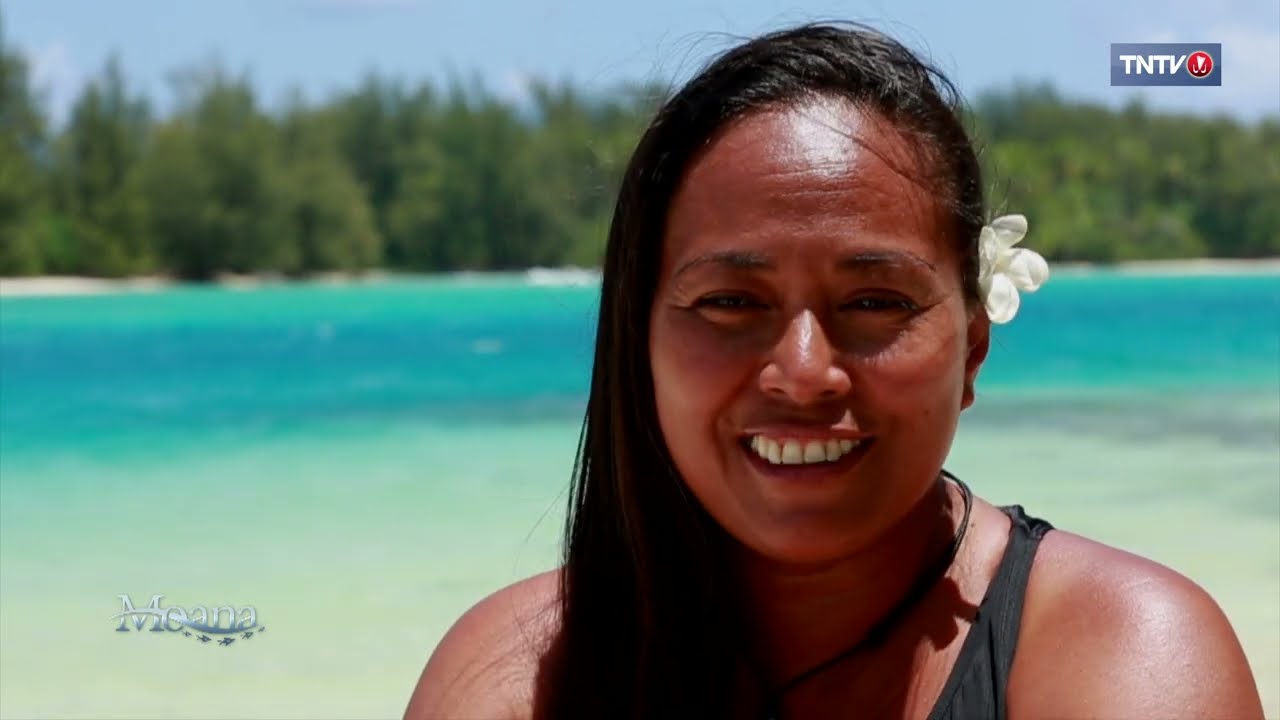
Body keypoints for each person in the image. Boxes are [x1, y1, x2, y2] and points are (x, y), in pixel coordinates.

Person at [404, 23, 1265, 720]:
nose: (805, 374)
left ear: (972, 348)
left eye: (876, 303)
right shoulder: (515, 677)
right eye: (732, 303)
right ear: (637, 347)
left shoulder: (1122, 660)